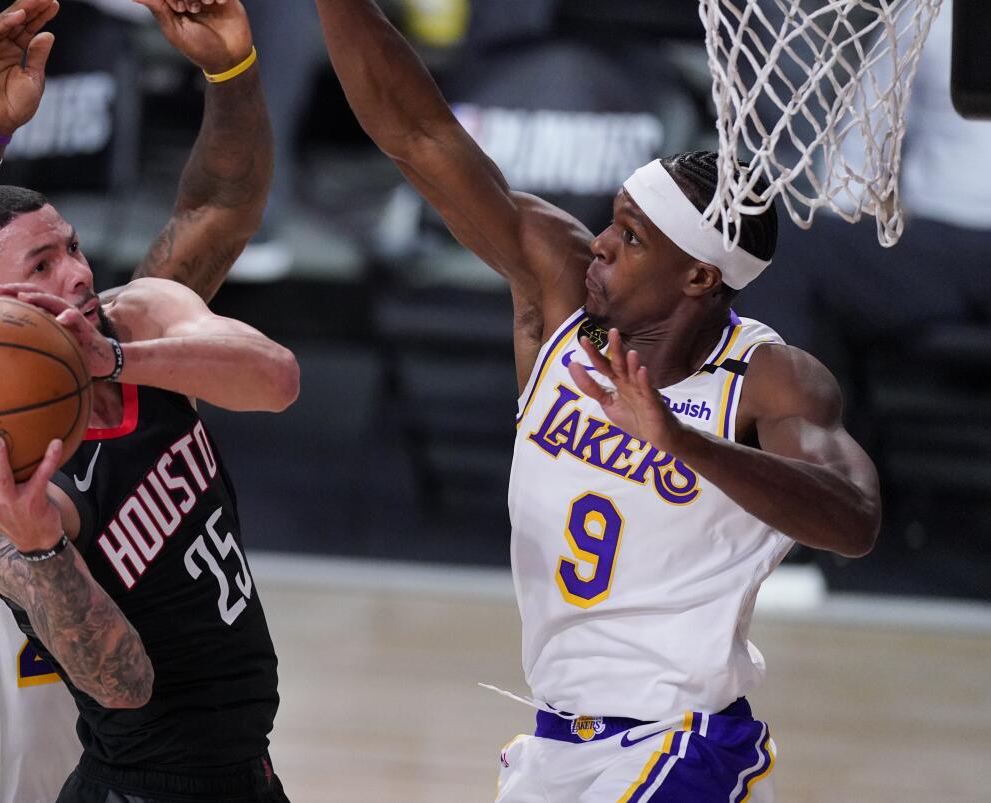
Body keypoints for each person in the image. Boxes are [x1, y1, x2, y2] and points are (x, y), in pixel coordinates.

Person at [310, 1, 881, 799]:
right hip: (556, 740)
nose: (604, 242)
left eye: (633, 235)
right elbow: (420, 135)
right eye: (614, 219)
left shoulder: (769, 378)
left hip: (686, 746)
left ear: (699, 277)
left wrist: (683, 445)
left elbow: (854, 521)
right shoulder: (558, 298)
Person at [0, 0, 280, 799]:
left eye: (71, 250)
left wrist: (231, 73)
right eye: (40, 265)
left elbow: (215, 212)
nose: (75, 273)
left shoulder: (120, 353)